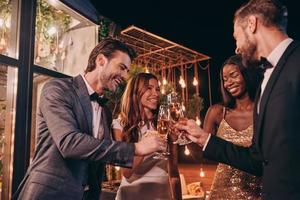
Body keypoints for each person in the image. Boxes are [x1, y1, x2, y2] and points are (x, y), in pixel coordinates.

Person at [174, 0, 300, 199]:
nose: (237, 48)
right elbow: (258, 161)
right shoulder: (266, 81)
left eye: (236, 37)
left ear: (252, 24)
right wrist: (203, 138)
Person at [13, 38, 165, 200]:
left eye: (127, 71)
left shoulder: (105, 112)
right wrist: (136, 148)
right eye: (122, 68)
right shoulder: (58, 89)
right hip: (49, 194)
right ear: (100, 61)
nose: (125, 76)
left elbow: (101, 156)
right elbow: (69, 143)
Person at [112, 72, 182, 200]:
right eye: (149, 88)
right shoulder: (120, 125)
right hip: (131, 194)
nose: (155, 94)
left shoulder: (165, 125)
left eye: (157, 89)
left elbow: (174, 173)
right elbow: (127, 173)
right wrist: (146, 145)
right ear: (136, 92)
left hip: (161, 194)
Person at [204, 55, 262, 199]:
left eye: (233, 75)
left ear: (246, 74)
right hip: (221, 193)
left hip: (255, 194)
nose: (228, 83)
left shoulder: (262, 112)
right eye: (224, 79)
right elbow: (204, 151)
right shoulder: (217, 112)